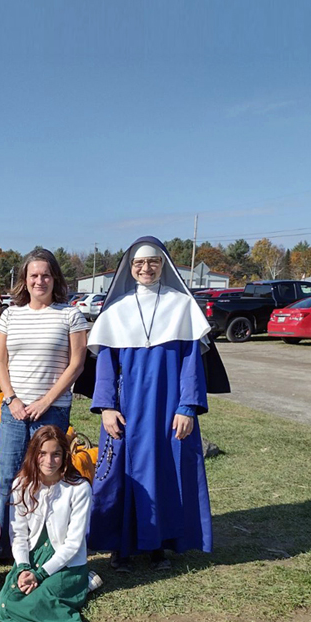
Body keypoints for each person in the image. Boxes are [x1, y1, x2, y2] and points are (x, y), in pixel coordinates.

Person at [86, 237, 220, 572]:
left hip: (167, 406)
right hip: (127, 408)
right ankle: (121, 547)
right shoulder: (116, 310)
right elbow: (105, 365)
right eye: (139, 263)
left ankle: (160, 544)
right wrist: (106, 407)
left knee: (165, 471)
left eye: (153, 262)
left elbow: (191, 362)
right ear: (130, 268)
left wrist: (188, 407)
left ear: (163, 265)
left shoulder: (181, 306)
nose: (146, 268)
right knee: (121, 476)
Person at [0, 248, 89, 558]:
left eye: (46, 275)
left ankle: (42, 544)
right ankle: (2, 547)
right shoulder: (11, 315)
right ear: (25, 279)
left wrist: (46, 401)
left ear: (55, 279)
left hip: (52, 410)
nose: (40, 281)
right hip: (14, 410)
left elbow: (76, 364)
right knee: (7, 478)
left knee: (47, 478)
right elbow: (0, 361)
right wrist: (11, 398)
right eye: (33, 275)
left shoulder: (70, 315)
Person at [0, 425, 92, 622]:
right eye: (42, 453)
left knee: (35, 602)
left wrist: (40, 575)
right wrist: (24, 568)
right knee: (4, 602)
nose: (49, 461)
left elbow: (73, 544)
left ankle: (84, 582)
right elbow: (19, 533)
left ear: (65, 456)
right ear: (33, 454)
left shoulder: (79, 489)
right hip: (32, 556)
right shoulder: (22, 484)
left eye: (56, 454)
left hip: (65, 562)